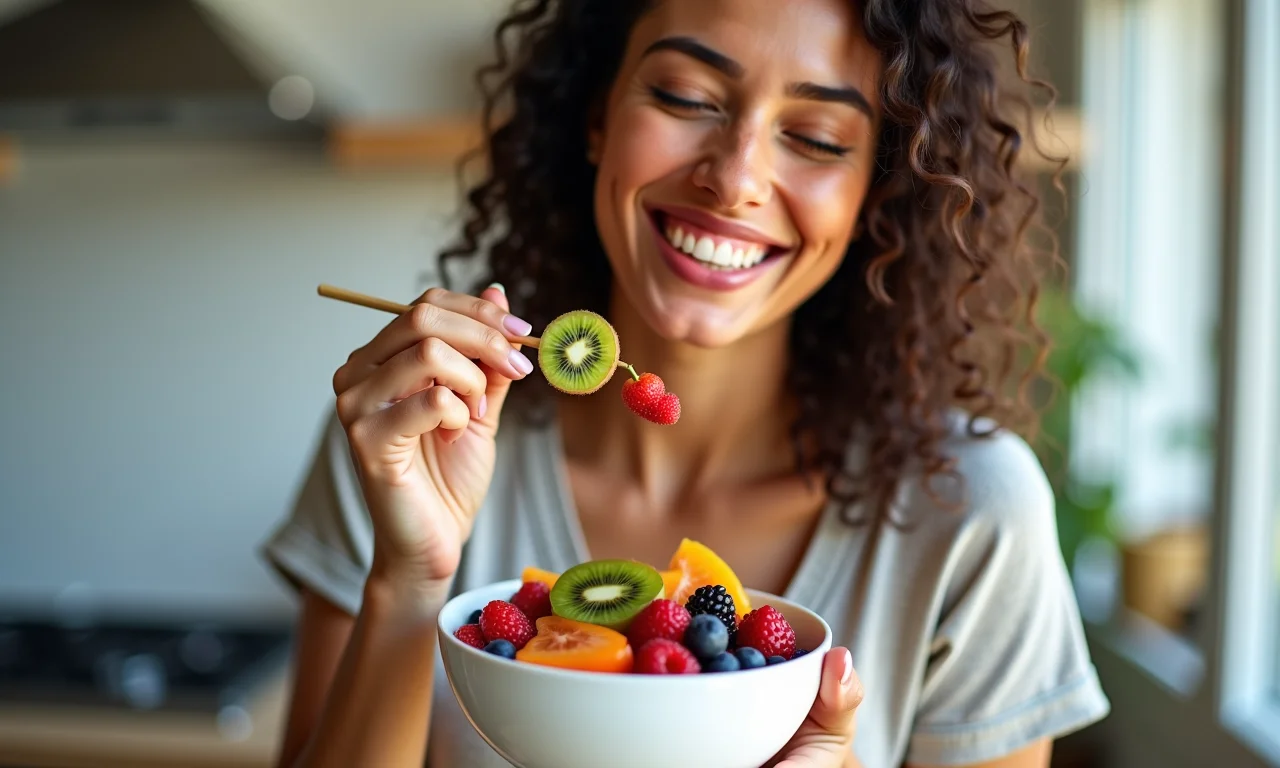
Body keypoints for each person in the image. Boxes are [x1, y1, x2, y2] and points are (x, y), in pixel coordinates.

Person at [261, 0, 1111, 765]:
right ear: (597, 116)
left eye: (817, 139)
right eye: (686, 97)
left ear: (874, 194)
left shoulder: (972, 515)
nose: (735, 178)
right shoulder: (419, 433)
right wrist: (410, 583)